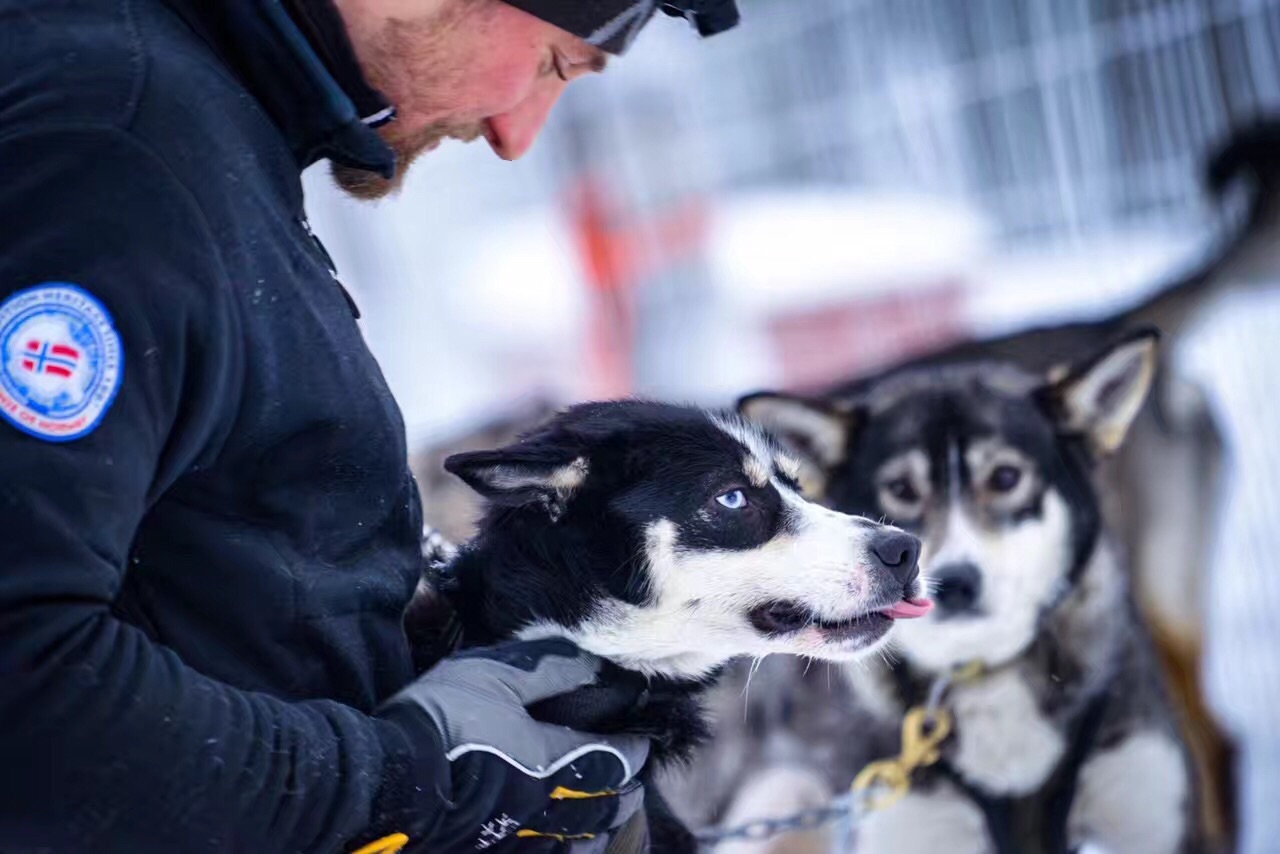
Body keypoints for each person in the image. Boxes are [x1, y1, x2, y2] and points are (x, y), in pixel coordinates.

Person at [0, 1, 737, 851]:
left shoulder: (207, 127)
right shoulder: (111, 147)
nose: (516, 133)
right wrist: (414, 781)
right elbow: (25, 680)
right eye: (551, 66)